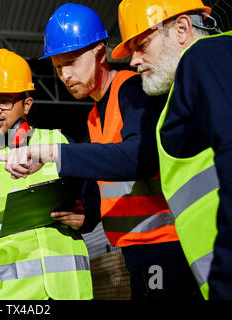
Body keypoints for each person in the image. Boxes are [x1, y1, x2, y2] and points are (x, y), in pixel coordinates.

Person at [0, 3, 201, 300]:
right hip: (136, 251)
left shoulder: (132, 89)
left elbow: (140, 157)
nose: (65, 75)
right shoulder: (94, 116)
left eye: (72, 62)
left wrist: (55, 153)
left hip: (166, 246)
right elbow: (107, 179)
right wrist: (87, 214)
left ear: (99, 53)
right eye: (57, 67)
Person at [111, 0, 232, 299]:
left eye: (142, 45)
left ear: (181, 29)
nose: (133, 61)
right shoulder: (195, 80)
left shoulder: (205, 56)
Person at [0, 48, 95, 300]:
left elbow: (91, 197)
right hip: (6, 296)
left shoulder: (58, 142)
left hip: (69, 289)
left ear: (26, 104)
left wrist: (87, 217)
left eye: (4, 100)